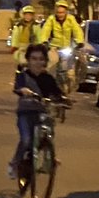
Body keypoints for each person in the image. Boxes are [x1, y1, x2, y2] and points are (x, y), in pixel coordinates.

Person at [10, 43, 65, 180]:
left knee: (49, 131)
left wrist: (63, 99)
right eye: (34, 59)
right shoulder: (23, 76)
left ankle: (49, 155)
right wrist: (22, 91)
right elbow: (18, 87)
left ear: (45, 61)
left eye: (41, 59)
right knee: (26, 140)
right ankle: (15, 164)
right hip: (26, 113)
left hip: (42, 112)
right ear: (28, 60)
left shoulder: (48, 78)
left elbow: (56, 92)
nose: (37, 62)